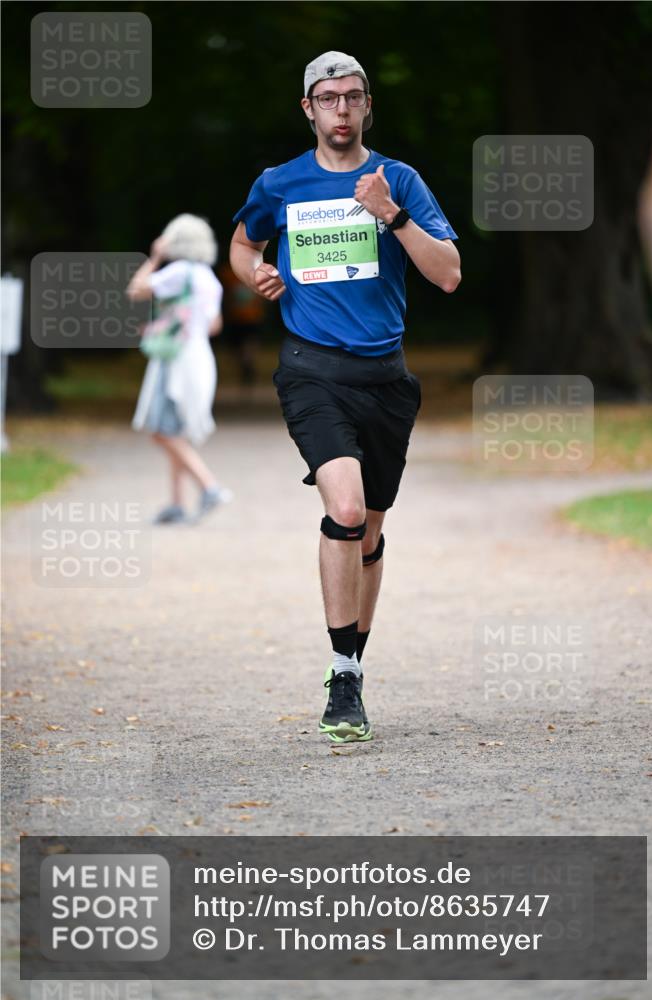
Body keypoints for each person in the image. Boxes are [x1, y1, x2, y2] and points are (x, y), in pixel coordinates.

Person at [230, 52, 461, 742]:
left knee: (372, 530)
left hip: (386, 379)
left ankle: (353, 666)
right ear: (308, 108)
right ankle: (342, 675)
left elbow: (447, 274)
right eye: (327, 99)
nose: (340, 109)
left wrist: (390, 215)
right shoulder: (279, 183)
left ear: (365, 107)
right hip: (310, 370)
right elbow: (242, 246)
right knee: (348, 509)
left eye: (351, 98)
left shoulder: (398, 181)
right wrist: (256, 275)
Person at [127, 213, 233, 524]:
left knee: (160, 430)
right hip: (200, 356)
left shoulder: (178, 272)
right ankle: (176, 502)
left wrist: (155, 257)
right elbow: (214, 325)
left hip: (176, 359)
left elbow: (136, 289)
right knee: (176, 429)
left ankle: (210, 487)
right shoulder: (208, 278)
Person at [219, 260, 266, 386]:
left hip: (251, 318)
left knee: (249, 344)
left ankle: (247, 367)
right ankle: (246, 366)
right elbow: (225, 294)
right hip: (236, 318)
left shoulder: (256, 271)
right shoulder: (228, 273)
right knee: (239, 347)